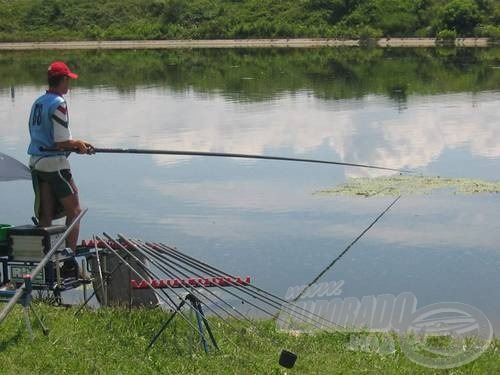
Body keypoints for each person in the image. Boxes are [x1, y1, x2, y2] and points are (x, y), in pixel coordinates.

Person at [27, 61, 94, 251]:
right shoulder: (59, 103)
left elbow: (43, 135)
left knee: (46, 215)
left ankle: (47, 260)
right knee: (75, 211)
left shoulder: (38, 102)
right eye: (68, 80)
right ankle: (68, 258)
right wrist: (77, 144)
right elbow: (61, 141)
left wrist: (77, 145)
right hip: (54, 163)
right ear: (63, 79)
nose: (69, 85)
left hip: (37, 162)